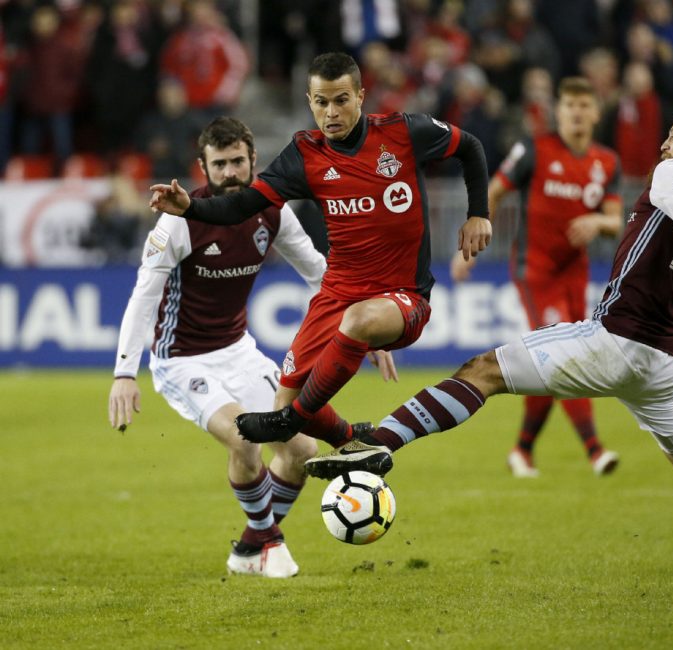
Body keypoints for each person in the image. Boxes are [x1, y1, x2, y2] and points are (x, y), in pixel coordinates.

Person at [305, 103, 673, 597]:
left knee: (482, 370)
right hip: (668, 364)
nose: (662, 144)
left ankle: (378, 442)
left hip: (617, 338)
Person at [148, 52, 492, 447]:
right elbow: (242, 204)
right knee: (285, 394)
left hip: (404, 296)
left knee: (354, 327)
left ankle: (291, 419)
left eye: (341, 100)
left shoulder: (403, 132)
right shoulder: (304, 156)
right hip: (336, 296)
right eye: (321, 102)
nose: (331, 112)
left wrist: (478, 213)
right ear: (310, 102)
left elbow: (470, 146)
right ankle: (354, 445)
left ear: (361, 96)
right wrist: (191, 207)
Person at [109, 116, 379, 578]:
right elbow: (144, 296)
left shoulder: (271, 212)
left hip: (239, 349)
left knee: (301, 452)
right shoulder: (178, 223)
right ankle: (271, 543)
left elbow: (320, 273)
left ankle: (249, 548)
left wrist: (369, 325)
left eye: (238, 161)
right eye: (220, 164)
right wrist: (123, 374)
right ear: (203, 167)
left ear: (253, 160)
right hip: (182, 360)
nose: (231, 172)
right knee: (244, 437)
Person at [451, 77, 622, 478]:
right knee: (567, 356)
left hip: (574, 273)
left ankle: (522, 450)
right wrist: (468, 247)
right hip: (535, 269)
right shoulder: (534, 149)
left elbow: (615, 221)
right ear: (558, 112)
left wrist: (597, 221)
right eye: (570, 105)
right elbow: (493, 191)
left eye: (585, 105)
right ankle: (595, 450)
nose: (578, 112)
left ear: (596, 113)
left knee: (552, 363)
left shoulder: (606, 162)